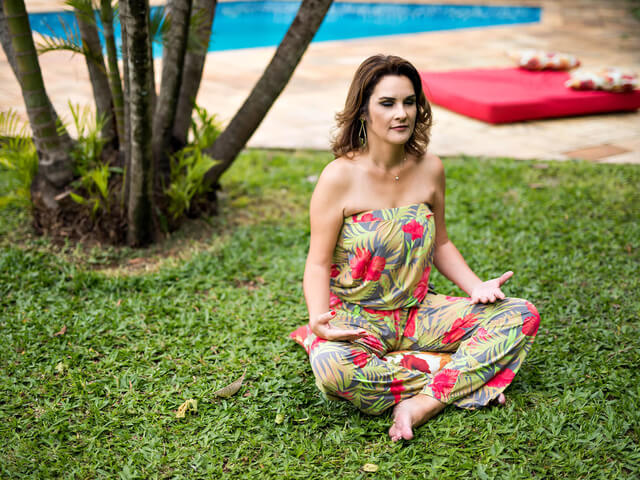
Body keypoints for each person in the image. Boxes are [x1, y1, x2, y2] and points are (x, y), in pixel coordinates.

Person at [302, 54, 540, 442]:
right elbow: (317, 263)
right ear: (363, 111)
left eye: (409, 102)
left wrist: (476, 286)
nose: (402, 113)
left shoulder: (430, 168)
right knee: (333, 369)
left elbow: (441, 241)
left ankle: (422, 403)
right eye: (387, 103)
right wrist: (317, 318)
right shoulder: (338, 177)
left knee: (520, 314)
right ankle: (457, 374)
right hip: (359, 317)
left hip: (419, 311)